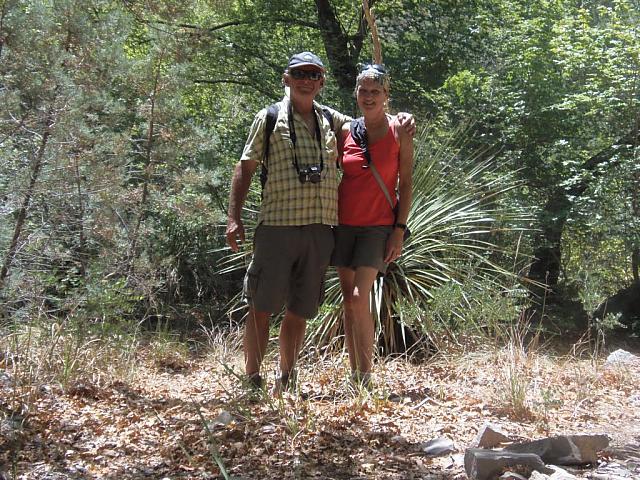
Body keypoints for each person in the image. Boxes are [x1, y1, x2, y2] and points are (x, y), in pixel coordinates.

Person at [226, 52, 414, 394]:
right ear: (286, 77)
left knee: (301, 309)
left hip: (322, 231)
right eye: (299, 73)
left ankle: (290, 377)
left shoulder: (331, 120)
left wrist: (403, 120)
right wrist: (233, 217)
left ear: (322, 82)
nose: (306, 79)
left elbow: (375, 126)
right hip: (282, 227)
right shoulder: (269, 118)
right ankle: (252, 380)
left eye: (313, 74)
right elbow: (246, 166)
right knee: (262, 306)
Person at [331, 64, 413, 387]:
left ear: (386, 96)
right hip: (344, 223)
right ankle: (356, 374)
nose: (368, 97)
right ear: (356, 94)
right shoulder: (346, 133)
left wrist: (399, 230)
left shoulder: (400, 132)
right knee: (349, 302)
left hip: (377, 226)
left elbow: (405, 184)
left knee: (357, 295)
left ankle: (365, 376)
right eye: (363, 91)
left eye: (375, 92)